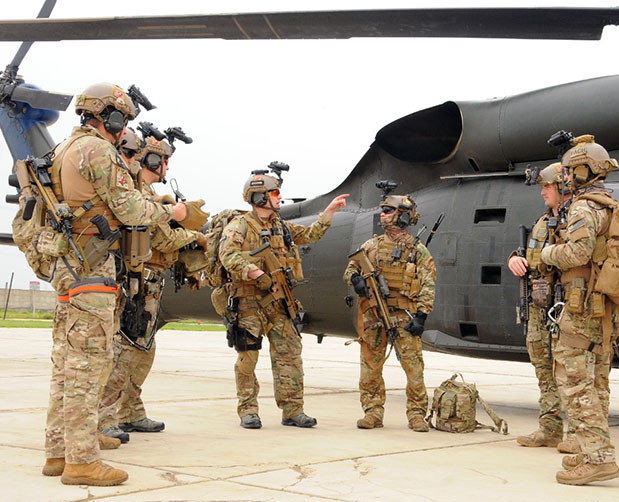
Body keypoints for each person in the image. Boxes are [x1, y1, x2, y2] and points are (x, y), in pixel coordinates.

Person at [42, 83, 205, 486]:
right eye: (123, 119)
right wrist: (176, 211)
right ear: (110, 116)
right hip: (92, 266)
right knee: (88, 366)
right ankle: (81, 461)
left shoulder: (66, 147)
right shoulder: (97, 150)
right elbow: (129, 207)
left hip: (70, 263)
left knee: (67, 364)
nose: (124, 128)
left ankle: (58, 452)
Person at [99, 132, 208, 441]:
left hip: (151, 283)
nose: (167, 169)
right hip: (137, 283)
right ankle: (104, 417)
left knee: (143, 351)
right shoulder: (138, 195)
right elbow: (162, 239)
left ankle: (130, 411)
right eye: (164, 162)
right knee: (127, 351)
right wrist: (195, 237)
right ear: (152, 160)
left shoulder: (147, 193)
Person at [219, 171, 348, 429]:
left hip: (279, 303)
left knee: (289, 355)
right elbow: (228, 256)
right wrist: (256, 272)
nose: (279, 198)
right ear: (259, 197)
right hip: (249, 303)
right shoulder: (239, 226)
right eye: (275, 193)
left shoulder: (281, 226)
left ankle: (292, 410)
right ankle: (248, 411)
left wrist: (330, 211)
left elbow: (310, 234)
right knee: (248, 358)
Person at [538, 134, 619, 486]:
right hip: (604, 307)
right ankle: (590, 450)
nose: (565, 178)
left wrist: (545, 255)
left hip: (583, 306)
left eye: (571, 171)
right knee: (595, 378)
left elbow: (577, 254)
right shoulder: (609, 205)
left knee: (573, 379)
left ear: (583, 171)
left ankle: (599, 456)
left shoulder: (583, 208)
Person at [343, 194, 436, 432]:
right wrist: (356, 280)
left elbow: (428, 284)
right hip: (374, 316)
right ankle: (373, 412)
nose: (382, 215)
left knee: (413, 368)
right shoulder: (371, 246)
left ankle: (416, 414)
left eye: (387, 210)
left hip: (404, 315)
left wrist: (422, 316)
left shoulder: (418, 251)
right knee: (370, 368)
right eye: (383, 211)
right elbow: (350, 270)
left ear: (402, 216)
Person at [507, 162, 577, 454]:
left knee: (571, 371)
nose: (542, 193)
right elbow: (529, 253)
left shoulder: (576, 219)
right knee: (543, 368)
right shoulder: (542, 221)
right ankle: (550, 429)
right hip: (539, 306)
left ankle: (577, 433)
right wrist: (515, 259)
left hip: (566, 307)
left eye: (546, 187)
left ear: (562, 187)